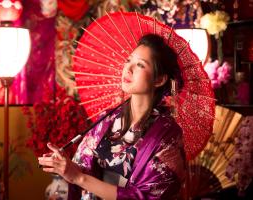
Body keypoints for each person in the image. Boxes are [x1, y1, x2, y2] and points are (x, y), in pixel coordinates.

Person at [38, 33, 186, 199]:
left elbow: (147, 196)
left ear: (159, 80)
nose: (128, 69)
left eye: (140, 65)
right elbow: (84, 166)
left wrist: (79, 178)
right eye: (128, 61)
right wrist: (66, 165)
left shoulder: (167, 134)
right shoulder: (107, 119)